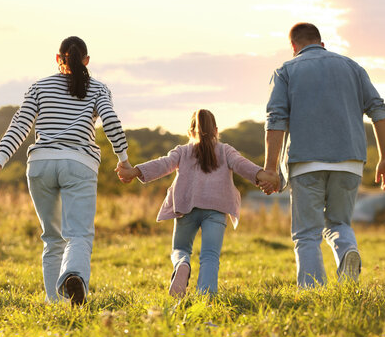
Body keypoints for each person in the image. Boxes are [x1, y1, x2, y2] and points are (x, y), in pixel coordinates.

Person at [0, 36, 130, 305]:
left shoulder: (39, 87)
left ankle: (57, 305)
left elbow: (20, 126)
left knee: (52, 238)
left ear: (58, 59)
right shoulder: (98, 88)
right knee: (79, 234)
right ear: (86, 61)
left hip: (41, 164)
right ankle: (73, 275)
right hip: (79, 164)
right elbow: (110, 121)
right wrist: (124, 158)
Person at [260, 23, 385, 288]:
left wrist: (270, 168)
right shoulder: (353, 68)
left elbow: (276, 118)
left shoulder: (286, 70)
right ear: (322, 43)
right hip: (350, 161)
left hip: (305, 162)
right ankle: (346, 251)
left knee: (307, 233)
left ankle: (313, 292)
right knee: (339, 222)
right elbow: (378, 109)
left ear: (294, 46)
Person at [115, 109, 278, 297]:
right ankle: (206, 296)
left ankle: (182, 264)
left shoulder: (182, 151)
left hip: (186, 207)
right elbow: (244, 165)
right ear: (216, 130)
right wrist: (266, 176)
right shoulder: (226, 151)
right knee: (210, 255)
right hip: (217, 208)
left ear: (189, 132)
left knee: (180, 249)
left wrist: (135, 171)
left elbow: (163, 164)